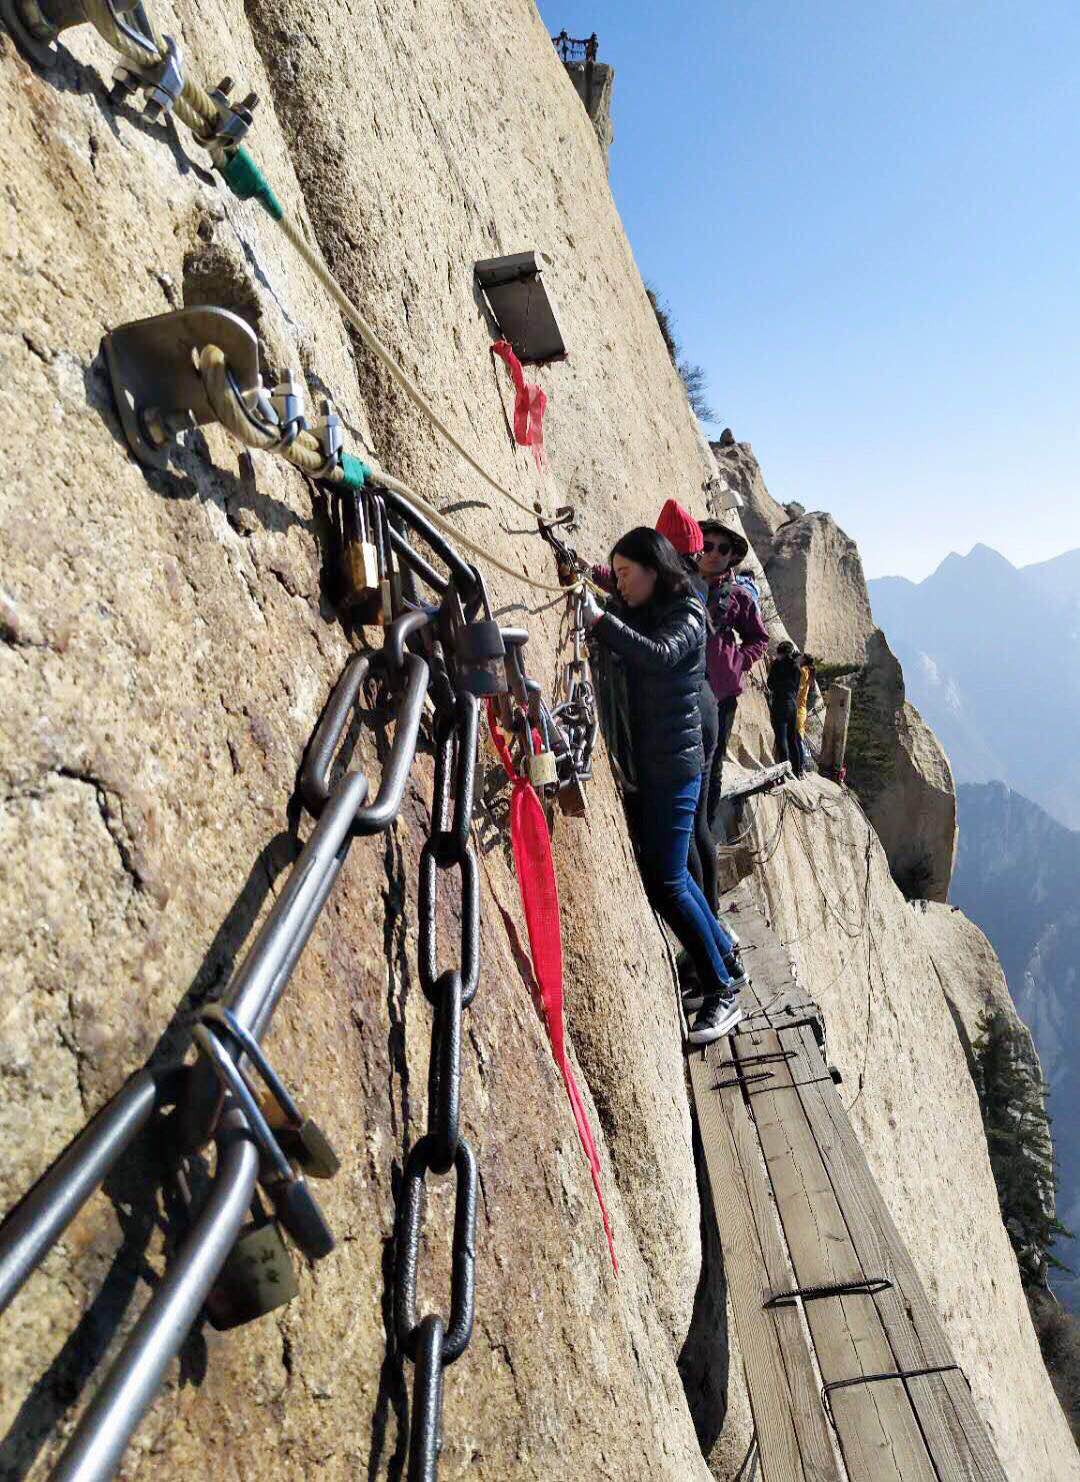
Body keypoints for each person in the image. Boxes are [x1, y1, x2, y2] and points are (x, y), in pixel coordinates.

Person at [581, 527, 744, 1045]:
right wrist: (592, 577)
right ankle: (724, 956)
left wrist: (600, 621)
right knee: (671, 876)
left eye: (629, 574)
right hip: (660, 765)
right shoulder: (653, 604)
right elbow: (625, 607)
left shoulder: (688, 614)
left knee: (668, 880)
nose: (622, 584)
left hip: (675, 767)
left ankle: (723, 990)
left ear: (655, 569)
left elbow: (657, 653)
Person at [697, 519, 770, 829]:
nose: (713, 553)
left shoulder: (738, 595)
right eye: (707, 545)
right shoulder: (682, 582)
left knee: (712, 765)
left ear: (731, 556)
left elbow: (759, 638)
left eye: (722, 549)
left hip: (721, 692)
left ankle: (704, 825)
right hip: (686, 685)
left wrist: (739, 661)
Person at [767, 640, 804, 778]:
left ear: (780, 652)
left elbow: (770, 684)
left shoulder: (777, 665)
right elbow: (795, 687)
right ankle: (798, 770)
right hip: (792, 704)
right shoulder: (796, 667)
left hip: (779, 703)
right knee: (792, 738)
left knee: (781, 737)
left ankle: (784, 770)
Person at [796, 653, 816, 769]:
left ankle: (802, 764)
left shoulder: (803, 670)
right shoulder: (809, 671)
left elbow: (799, 688)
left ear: (804, 660)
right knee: (800, 737)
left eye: (802, 657)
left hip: (798, 708)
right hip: (802, 709)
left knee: (798, 738)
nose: (800, 659)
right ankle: (803, 763)